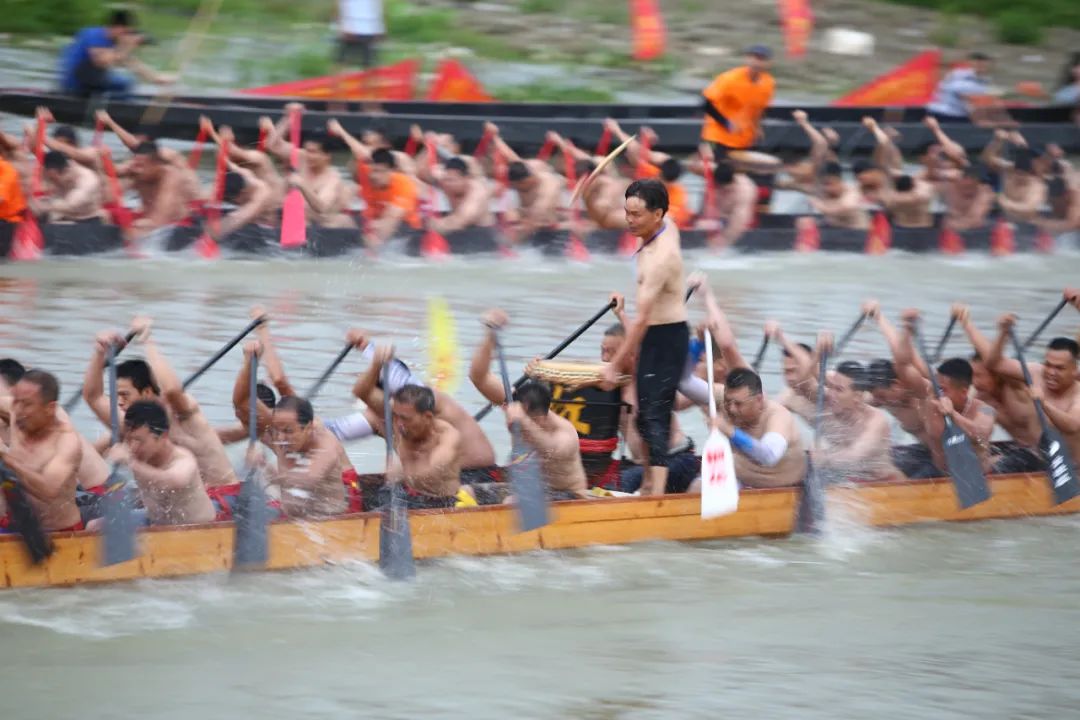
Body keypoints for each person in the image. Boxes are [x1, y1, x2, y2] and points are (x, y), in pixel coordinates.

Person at [584, 178, 688, 496]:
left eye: (636, 215)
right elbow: (604, 219)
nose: (629, 220)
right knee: (643, 417)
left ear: (657, 214)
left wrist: (615, 365)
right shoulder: (654, 224)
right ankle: (646, 483)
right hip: (653, 334)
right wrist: (588, 195)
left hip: (667, 337)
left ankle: (655, 494)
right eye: (627, 212)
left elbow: (642, 320)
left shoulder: (661, 257)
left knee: (655, 416)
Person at [81, 319, 238, 489]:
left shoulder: (182, 413)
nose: (119, 402)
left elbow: (171, 390)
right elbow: (93, 397)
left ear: (147, 392)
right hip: (172, 496)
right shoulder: (133, 423)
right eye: (116, 396)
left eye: (125, 395)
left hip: (222, 494)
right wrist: (99, 352)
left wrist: (147, 339)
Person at [468, 314, 588, 500]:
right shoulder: (514, 403)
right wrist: (490, 336)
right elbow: (478, 377)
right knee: (466, 492)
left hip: (568, 495)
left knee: (512, 502)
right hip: (526, 491)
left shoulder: (564, 435)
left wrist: (523, 421)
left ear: (540, 420)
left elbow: (548, 449)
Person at [351, 332, 498, 483]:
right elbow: (360, 391)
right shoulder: (388, 413)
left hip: (477, 475)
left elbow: (395, 378)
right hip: (431, 479)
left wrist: (402, 472)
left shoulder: (427, 399)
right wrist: (369, 353)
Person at [234, 344, 351, 518]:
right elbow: (242, 402)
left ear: (308, 428)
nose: (281, 438)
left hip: (328, 521)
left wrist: (264, 468)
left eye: (288, 431)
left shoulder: (326, 446)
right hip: (290, 517)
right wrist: (249, 364)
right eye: (277, 430)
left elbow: (306, 480)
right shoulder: (278, 431)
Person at [894, 310, 997, 475]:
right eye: (937, 386)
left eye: (943, 389)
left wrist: (952, 415)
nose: (937, 393)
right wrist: (906, 330)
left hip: (975, 476)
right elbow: (902, 366)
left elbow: (980, 434)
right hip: (939, 472)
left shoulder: (985, 409)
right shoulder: (930, 394)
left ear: (964, 392)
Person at [953, 304, 1044, 473]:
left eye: (979, 375)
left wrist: (966, 322)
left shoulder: (1015, 385)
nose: (974, 382)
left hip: (1044, 455)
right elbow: (974, 428)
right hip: (1019, 451)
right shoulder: (982, 399)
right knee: (972, 462)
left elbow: (993, 359)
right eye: (972, 376)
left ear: (996, 374)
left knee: (997, 467)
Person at [984, 314, 1080, 467]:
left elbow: (1072, 426)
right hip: (1037, 459)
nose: (1051, 372)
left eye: (1059, 368)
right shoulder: (1036, 372)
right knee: (989, 463)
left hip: (1070, 470)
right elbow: (994, 364)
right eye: (1048, 364)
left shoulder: (1077, 394)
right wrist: (1003, 333)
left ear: (1074, 370)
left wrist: (1044, 404)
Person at [806, 337, 902, 482]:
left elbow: (855, 455)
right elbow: (812, 373)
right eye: (831, 387)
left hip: (886, 484)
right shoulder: (842, 399)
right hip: (852, 479)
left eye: (839, 390)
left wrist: (824, 458)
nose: (830, 394)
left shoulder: (876, 422)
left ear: (857, 396)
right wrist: (819, 351)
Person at [0, 370, 84, 532]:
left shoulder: (67, 441)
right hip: (14, 526)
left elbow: (49, 490)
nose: (18, 410)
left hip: (58, 534)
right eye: (16, 401)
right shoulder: (15, 410)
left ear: (50, 408)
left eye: (27, 404)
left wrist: (6, 458)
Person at [107, 400, 215, 526]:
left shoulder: (183, 459)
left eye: (139, 440)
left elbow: (174, 480)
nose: (133, 447)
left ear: (163, 436)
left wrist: (130, 463)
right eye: (129, 439)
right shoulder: (138, 456)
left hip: (197, 529)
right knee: (95, 526)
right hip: (155, 522)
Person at [698, 368, 806, 488]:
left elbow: (769, 456)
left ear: (758, 400)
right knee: (697, 486)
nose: (732, 409)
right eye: (728, 402)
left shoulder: (778, 417)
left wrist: (730, 431)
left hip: (781, 487)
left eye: (738, 404)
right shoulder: (723, 397)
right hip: (742, 479)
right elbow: (688, 387)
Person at [382, 383, 465, 509]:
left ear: (427, 417)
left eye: (405, 418)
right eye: (395, 416)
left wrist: (398, 471)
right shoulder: (403, 427)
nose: (399, 424)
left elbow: (431, 473)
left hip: (442, 503)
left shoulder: (448, 437)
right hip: (409, 496)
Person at [57, 10, 173, 98]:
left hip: (91, 79)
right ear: (118, 27)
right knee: (124, 84)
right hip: (75, 84)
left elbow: (129, 61)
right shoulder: (93, 35)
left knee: (127, 82)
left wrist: (156, 78)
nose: (127, 35)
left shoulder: (112, 41)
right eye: (126, 31)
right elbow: (101, 60)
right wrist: (128, 46)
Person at [486, 122, 564, 247]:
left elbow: (538, 211)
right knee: (509, 215)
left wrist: (511, 243)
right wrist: (494, 136)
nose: (516, 188)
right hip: (526, 214)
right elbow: (510, 155)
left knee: (540, 218)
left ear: (527, 180)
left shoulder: (548, 184)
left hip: (546, 220)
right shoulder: (522, 169)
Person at [700, 45, 775, 155]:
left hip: (744, 139)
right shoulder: (730, 79)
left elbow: (762, 108)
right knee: (722, 165)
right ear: (747, 59)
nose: (757, 62)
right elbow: (705, 102)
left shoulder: (768, 83)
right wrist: (725, 123)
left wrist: (758, 127)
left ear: (769, 63)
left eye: (762, 59)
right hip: (718, 137)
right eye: (754, 57)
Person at [30, 151, 105, 223]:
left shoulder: (88, 180)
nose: (53, 183)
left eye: (53, 179)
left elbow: (71, 205)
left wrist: (45, 206)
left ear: (66, 171)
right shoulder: (59, 175)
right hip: (65, 218)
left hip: (89, 220)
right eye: (50, 179)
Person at [698, 161, 756, 248]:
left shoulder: (744, 190)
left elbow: (740, 219)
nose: (720, 189)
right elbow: (705, 208)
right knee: (700, 225)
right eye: (718, 186)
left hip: (741, 223)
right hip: (718, 220)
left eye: (724, 188)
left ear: (732, 183)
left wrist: (724, 239)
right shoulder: (714, 181)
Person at [799, 161, 870, 230]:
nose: (826, 188)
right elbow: (804, 187)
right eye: (824, 184)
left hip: (859, 233)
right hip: (835, 231)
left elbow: (846, 207)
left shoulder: (852, 190)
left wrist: (818, 204)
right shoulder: (822, 191)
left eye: (830, 184)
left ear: (839, 180)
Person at [927, 52, 994, 122]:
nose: (981, 65)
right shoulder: (961, 77)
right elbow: (970, 101)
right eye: (978, 62)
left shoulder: (982, 80)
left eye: (984, 63)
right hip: (946, 115)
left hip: (955, 114)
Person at [941, 165, 995, 232]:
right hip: (950, 233)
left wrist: (953, 223)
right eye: (965, 177)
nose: (969, 182)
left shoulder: (985, 192)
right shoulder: (949, 188)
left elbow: (975, 220)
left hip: (977, 232)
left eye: (973, 178)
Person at [998, 154, 1048, 225]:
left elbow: (1030, 206)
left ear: (1029, 174)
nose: (1019, 177)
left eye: (1023, 174)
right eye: (1017, 173)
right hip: (1008, 221)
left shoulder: (1037, 186)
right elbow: (988, 158)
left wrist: (1008, 203)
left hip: (1029, 223)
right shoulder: (1010, 180)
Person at [335, 0, 384, 70]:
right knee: (342, 59)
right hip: (354, 28)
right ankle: (336, 75)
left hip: (367, 27)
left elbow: (377, 9)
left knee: (367, 61)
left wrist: (379, 28)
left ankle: (367, 73)